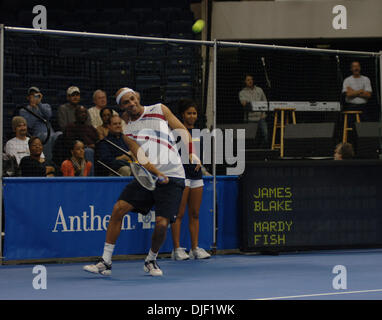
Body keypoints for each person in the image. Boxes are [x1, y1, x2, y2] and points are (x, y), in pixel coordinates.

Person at [83, 87, 199, 277]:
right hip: (149, 177)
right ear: (122, 107)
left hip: (175, 176)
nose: (131, 103)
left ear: (136, 97)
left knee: (162, 224)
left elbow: (181, 129)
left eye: (132, 99)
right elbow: (141, 157)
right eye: (126, 102)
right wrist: (157, 172)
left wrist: (191, 152)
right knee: (118, 208)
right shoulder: (127, 130)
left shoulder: (160, 109)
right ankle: (105, 261)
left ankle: (151, 260)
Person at [171, 99, 211, 261]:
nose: (192, 116)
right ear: (182, 115)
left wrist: (200, 162)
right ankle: (177, 249)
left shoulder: (200, 133)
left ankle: (195, 248)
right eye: (189, 113)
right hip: (181, 175)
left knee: (194, 213)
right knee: (179, 214)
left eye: (194, 113)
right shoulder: (176, 133)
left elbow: (202, 154)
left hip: (196, 176)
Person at [19, 86, 62, 161]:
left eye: (36, 95)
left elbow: (48, 115)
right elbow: (30, 124)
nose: (34, 97)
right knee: (46, 136)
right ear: (28, 97)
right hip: (37, 134)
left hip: (51, 132)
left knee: (59, 135)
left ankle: (60, 161)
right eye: (31, 95)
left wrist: (39, 104)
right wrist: (33, 108)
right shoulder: (24, 110)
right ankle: (48, 161)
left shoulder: (45, 106)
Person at [63, 105, 99, 175]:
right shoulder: (71, 127)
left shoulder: (90, 127)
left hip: (94, 150)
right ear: (76, 115)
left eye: (85, 113)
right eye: (81, 113)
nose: (83, 114)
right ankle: (90, 180)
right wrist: (86, 146)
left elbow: (97, 140)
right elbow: (70, 143)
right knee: (88, 151)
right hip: (80, 152)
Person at [239, 74, 268, 147]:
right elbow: (244, 103)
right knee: (251, 138)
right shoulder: (242, 92)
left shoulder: (259, 90)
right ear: (245, 81)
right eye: (248, 80)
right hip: (250, 119)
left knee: (266, 134)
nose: (250, 81)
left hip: (261, 117)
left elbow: (265, 102)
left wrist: (263, 115)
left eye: (251, 79)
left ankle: (262, 151)